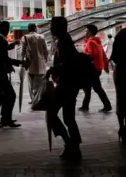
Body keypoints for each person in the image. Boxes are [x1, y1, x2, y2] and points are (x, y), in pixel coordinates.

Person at [45, 16, 83, 160]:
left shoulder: (65, 42)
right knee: (68, 117)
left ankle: (70, 144)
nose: (50, 28)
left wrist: (53, 70)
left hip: (67, 84)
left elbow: (67, 65)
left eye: (52, 25)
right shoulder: (64, 40)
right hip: (68, 84)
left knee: (54, 114)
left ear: (59, 27)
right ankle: (73, 145)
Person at [79, 24, 112, 112]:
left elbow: (92, 55)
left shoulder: (91, 42)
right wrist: (105, 66)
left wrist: (81, 55)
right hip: (97, 68)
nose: (85, 32)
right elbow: (104, 55)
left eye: (86, 31)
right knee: (88, 87)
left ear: (89, 32)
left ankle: (107, 105)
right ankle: (85, 105)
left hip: (92, 69)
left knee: (96, 88)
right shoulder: (98, 42)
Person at [21, 23, 49, 103]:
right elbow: (46, 51)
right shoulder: (42, 37)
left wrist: (22, 60)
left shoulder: (25, 37)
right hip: (41, 62)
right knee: (39, 82)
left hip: (30, 63)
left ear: (28, 29)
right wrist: (45, 59)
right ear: (35, 28)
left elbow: (22, 52)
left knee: (30, 82)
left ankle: (33, 99)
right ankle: (38, 98)